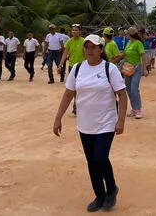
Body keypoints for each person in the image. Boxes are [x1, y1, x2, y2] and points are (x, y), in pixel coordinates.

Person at [53, 34, 128, 212]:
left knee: (100, 158)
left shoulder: (109, 69)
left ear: (100, 49)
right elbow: (68, 94)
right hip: (85, 124)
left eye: (93, 47)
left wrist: (121, 120)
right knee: (91, 161)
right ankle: (99, 195)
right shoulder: (78, 69)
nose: (89, 50)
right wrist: (58, 118)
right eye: (87, 47)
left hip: (106, 122)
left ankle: (111, 189)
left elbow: (122, 95)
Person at [122, 27, 147, 119]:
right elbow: (125, 54)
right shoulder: (128, 43)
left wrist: (144, 69)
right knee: (128, 89)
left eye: (127, 33)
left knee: (134, 89)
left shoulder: (138, 43)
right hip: (128, 68)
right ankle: (134, 108)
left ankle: (138, 109)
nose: (126, 35)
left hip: (136, 68)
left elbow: (143, 56)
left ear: (130, 34)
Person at [61, 25, 86, 116]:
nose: (74, 32)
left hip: (82, 67)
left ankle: (81, 105)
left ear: (80, 31)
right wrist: (60, 64)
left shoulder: (83, 41)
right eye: (73, 30)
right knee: (74, 88)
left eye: (76, 30)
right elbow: (65, 54)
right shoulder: (69, 42)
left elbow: (86, 54)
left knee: (81, 87)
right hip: (72, 67)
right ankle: (76, 106)